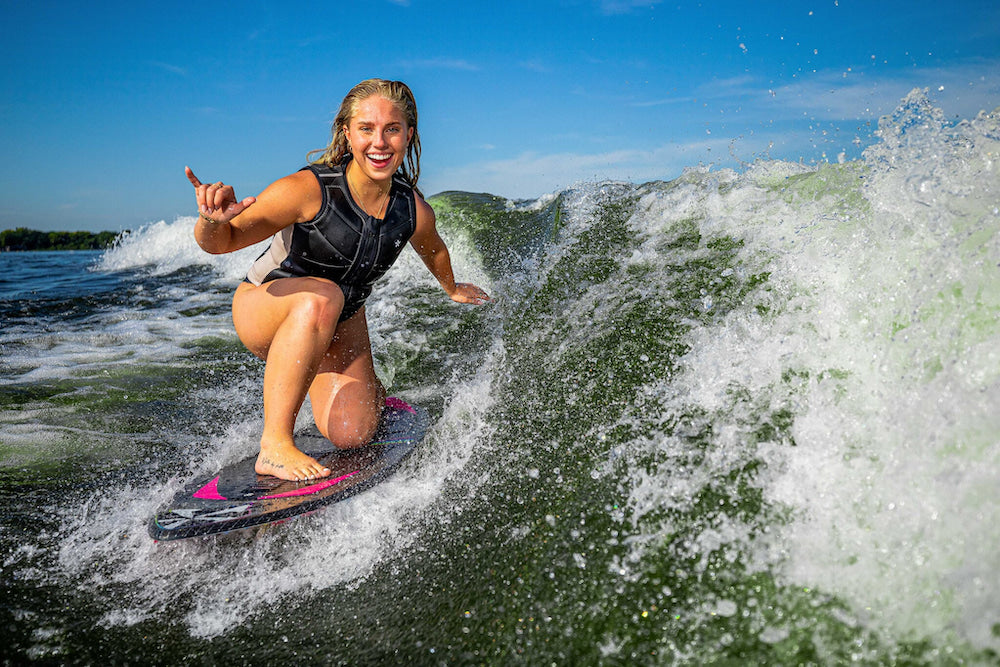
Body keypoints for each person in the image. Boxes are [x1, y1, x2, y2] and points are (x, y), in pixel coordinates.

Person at [186, 79, 490, 483]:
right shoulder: (307, 190)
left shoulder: (412, 209)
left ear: (408, 135)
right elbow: (223, 241)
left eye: (392, 129)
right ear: (347, 133)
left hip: (338, 320)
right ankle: (274, 444)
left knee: (355, 434)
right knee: (322, 297)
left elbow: (433, 249)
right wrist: (211, 220)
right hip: (266, 308)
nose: (379, 142)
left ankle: (373, 393)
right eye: (366, 128)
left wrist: (452, 287)